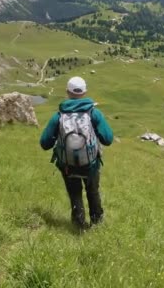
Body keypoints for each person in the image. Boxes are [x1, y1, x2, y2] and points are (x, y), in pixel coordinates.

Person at [40, 77, 113, 230]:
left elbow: (44, 143)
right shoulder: (94, 113)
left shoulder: (59, 116)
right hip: (91, 165)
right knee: (93, 192)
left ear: (67, 92)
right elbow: (108, 139)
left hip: (68, 165)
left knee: (75, 193)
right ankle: (97, 223)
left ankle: (78, 224)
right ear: (85, 92)